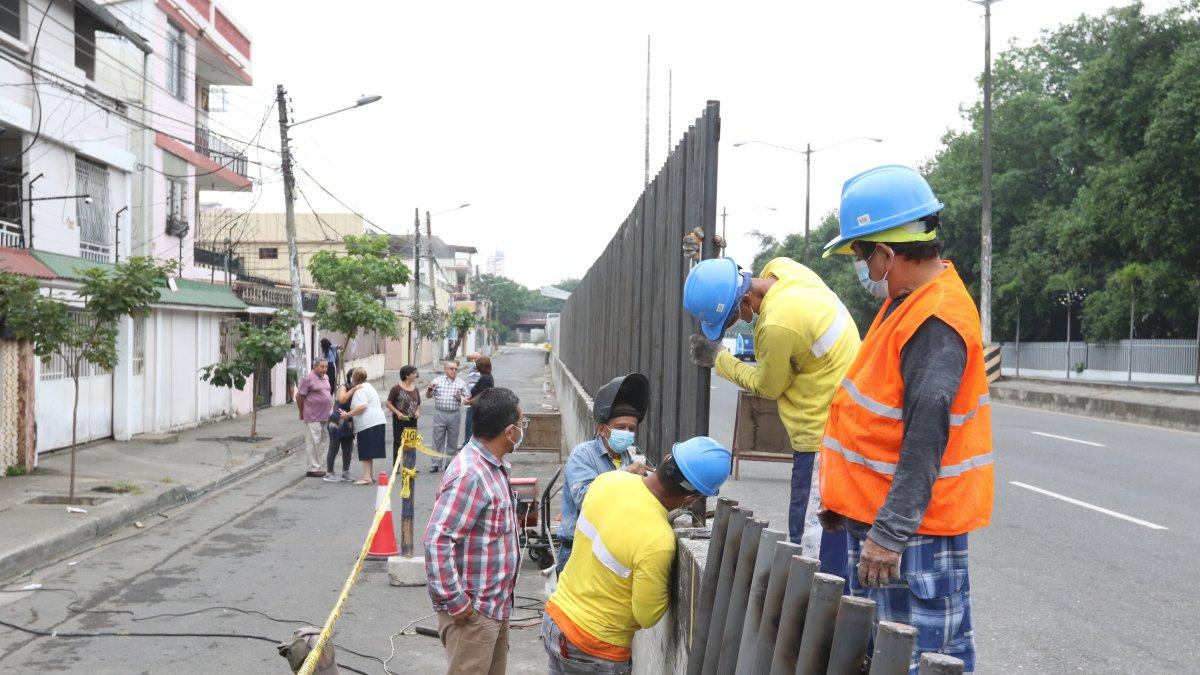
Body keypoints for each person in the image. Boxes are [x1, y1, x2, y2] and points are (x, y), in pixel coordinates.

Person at [818, 164, 994, 672]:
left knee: (924, 662)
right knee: (889, 660)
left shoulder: (935, 320)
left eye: (860, 254)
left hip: (912, 537)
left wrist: (888, 532)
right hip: (887, 529)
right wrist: (849, 506)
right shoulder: (907, 304)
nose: (860, 267)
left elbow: (924, 438)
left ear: (888, 254)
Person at [683, 254, 860, 578]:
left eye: (736, 316)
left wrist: (719, 359)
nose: (741, 322)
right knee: (837, 536)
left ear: (747, 301)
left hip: (824, 435)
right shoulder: (784, 268)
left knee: (813, 541)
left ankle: (824, 618)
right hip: (846, 419)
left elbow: (768, 385)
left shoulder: (777, 324)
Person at [544, 436, 732, 674]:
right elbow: (647, 615)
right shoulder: (658, 540)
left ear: (666, 459)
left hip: (556, 619)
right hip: (594, 648)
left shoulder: (608, 480)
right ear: (690, 499)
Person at [423, 387, 524, 675]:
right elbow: (436, 541)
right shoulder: (471, 475)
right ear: (509, 431)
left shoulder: (495, 465)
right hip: (473, 614)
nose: (522, 430)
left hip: (495, 607)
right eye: (521, 424)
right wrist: (457, 603)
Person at [556, 373, 651, 575]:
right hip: (577, 551)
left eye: (631, 429)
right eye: (620, 427)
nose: (627, 433)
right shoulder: (584, 455)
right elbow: (585, 498)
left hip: (608, 552)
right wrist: (626, 475)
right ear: (601, 428)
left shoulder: (626, 458)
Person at [340, 367, 388, 485]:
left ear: (353, 378)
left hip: (368, 423)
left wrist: (347, 415)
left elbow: (362, 407)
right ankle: (369, 475)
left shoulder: (360, 389)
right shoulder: (368, 386)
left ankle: (367, 477)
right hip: (377, 421)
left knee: (365, 449)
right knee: (369, 450)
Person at [426, 360, 470, 473]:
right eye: (451, 369)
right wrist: (430, 389)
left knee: (452, 440)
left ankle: (450, 463)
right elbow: (428, 395)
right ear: (445, 370)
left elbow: (468, 400)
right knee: (437, 439)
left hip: (454, 414)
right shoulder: (437, 381)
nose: (454, 371)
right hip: (440, 413)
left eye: (456, 369)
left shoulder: (461, 383)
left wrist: (459, 398)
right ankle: (435, 463)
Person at [295, 358, 332, 478]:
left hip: (325, 415)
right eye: (322, 367)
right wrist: (302, 412)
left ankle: (319, 466)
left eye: (326, 367)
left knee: (323, 441)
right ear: (315, 366)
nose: (324, 369)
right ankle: (312, 468)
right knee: (313, 442)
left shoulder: (326, 377)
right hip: (312, 415)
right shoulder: (308, 378)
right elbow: (299, 396)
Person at [386, 365, 422, 471]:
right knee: (398, 442)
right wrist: (397, 413)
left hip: (412, 419)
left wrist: (418, 411)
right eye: (413, 373)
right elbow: (388, 403)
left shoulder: (415, 388)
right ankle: (396, 466)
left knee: (411, 443)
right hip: (400, 419)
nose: (416, 375)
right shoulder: (396, 388)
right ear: (407, 375)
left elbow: (418, 403)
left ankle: (409, 466)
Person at [463, 356, 494, 442]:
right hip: (476, 408)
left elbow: (481, 395)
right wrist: (468, 398)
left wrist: (468, 402)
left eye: (477, 365)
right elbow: (475, 391)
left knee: (472, 434)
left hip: (478, 409)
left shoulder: (486, 378)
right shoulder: (485, 377)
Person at [462, 353, 483, 442]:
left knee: (478, 428)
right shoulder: (470, 369)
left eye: (476, 358)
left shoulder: (483, 372)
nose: (474, 361)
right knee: (469, 427)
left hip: (479, 404)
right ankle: (467, 444)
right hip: (471, 403)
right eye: (472, 359)